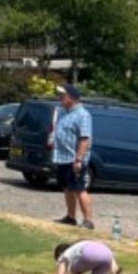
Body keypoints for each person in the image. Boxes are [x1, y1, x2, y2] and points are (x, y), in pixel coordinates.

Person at [53, 83, 94, 229]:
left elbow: (85, 139)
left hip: (74, 159)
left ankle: (88, 220)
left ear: (72, 97)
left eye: (62, 95)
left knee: (79, 188)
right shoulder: (64, 112)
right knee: (67, 188)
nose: (60, 98)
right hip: (63, 158)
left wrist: (78, 159)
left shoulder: (83, 115)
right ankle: (71, 216)